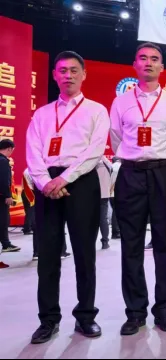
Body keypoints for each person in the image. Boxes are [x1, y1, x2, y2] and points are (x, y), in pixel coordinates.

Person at [26, 51, 110, 344]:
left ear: (84, 74)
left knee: (84, 253)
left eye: (74, 70)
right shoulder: (42, 114)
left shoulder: (96, 110)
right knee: (48, 255)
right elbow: (33, 150)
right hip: (47, 184)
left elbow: (95, 150)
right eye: (62, 70)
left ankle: (86, 315)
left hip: (81, 182)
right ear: (54, 75)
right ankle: (48, 319)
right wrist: (45, 181)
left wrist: (65, 178)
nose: (68, 75)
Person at [110, 42, 166, 336]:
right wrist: (133, 158)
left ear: (162, 67)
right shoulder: (121, 102)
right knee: (131, 245)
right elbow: (116, 137)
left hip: (163, 173)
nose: (148, 63)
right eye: (143, 58)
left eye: (154, 59)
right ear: (135, 65)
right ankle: (135, 312)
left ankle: (164, 311)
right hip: (131, 174)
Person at [0, 139, 20, 253]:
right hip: (1, 196)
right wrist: (8, 195)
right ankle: (6, 244)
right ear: (9, 149)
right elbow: (3, 180)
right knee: (3, 219)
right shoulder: (3, 161)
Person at [96, 156, 112, 250]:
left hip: (91, 194)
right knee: (103, 218)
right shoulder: (106, 162)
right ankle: (105, 241)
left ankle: (89, 241)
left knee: (89, 219)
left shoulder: (90, 161)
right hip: (104, 193)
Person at [110, 158, 121, 239]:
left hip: (110, 192)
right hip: (117, 191)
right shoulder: (120, 166)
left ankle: (116, 231)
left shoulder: (111, 166)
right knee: (117, 212)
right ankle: (116, 232)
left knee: (115, 211)